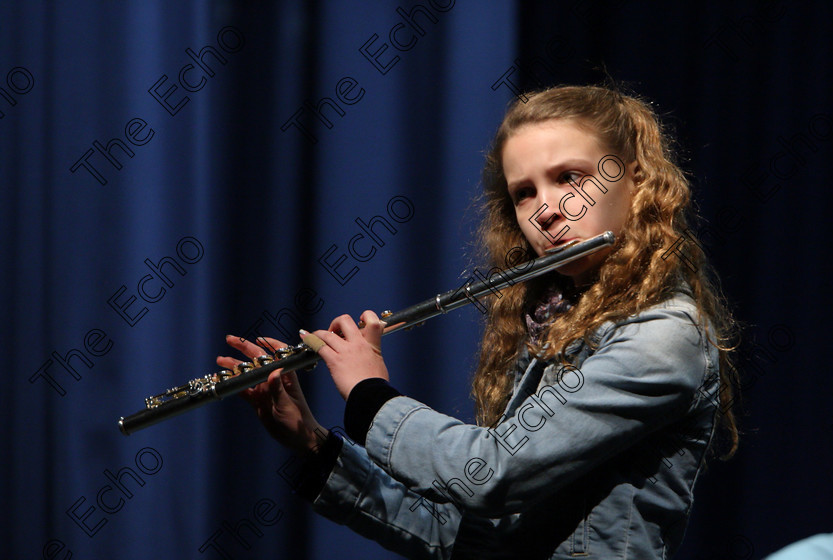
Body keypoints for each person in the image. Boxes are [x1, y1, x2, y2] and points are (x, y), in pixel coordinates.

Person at [219, 85, 739, 559]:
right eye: (524, 193)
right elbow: (462, 538)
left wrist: (369, 394)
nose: (546, 211)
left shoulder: (663, 338)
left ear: (637, 181)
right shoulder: (550, 325)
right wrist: (313, 443)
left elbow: (490, 474)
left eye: (568, 178)